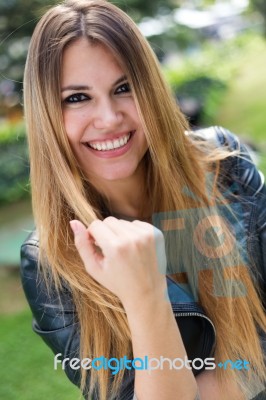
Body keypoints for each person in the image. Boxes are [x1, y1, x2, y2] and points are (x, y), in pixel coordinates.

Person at [20, 0, 266, 399]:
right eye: (77, 98)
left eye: (124, 88)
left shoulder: (222, 166)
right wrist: (144, 293)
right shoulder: (51, 261)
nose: (109, 118)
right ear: (47, 114)